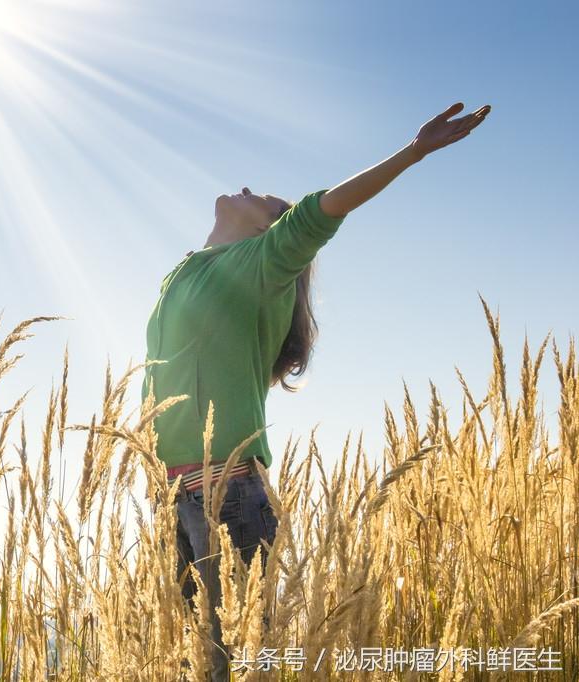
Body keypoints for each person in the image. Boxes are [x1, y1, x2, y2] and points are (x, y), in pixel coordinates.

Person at [141, 102, 491, 680]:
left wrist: (413, 151)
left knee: (244, 664)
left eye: (268, 201)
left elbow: (321, 212)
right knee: (201, 667)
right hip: (173, 499)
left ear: (271, 231)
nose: (250, 187)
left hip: (227, 497)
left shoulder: (260, 266)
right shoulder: (182, 273)